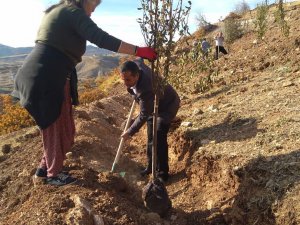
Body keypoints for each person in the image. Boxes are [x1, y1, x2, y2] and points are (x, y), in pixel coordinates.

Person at [11, 0, 157, 187]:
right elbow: (102, 39)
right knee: (56, 128)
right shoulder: (71, 11)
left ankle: (44, 170)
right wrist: (138, 50)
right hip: (47, 77)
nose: (92, 13)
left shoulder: (58, 10)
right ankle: (53, 175)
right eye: (93, 7)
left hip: (47, 75)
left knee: (66, 129)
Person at [120, 59, 180, 182]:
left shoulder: (145, 88)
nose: (125, 83)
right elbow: (139, 59)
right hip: (153, 104)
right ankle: (150, 167)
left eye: (128, 80)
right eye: (123, 79)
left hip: (167, 105)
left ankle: (163, 173)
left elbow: (143, 115)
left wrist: (130, 131)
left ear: (137, 75)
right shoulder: (137, 66)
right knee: (150, 136)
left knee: (158, 135)